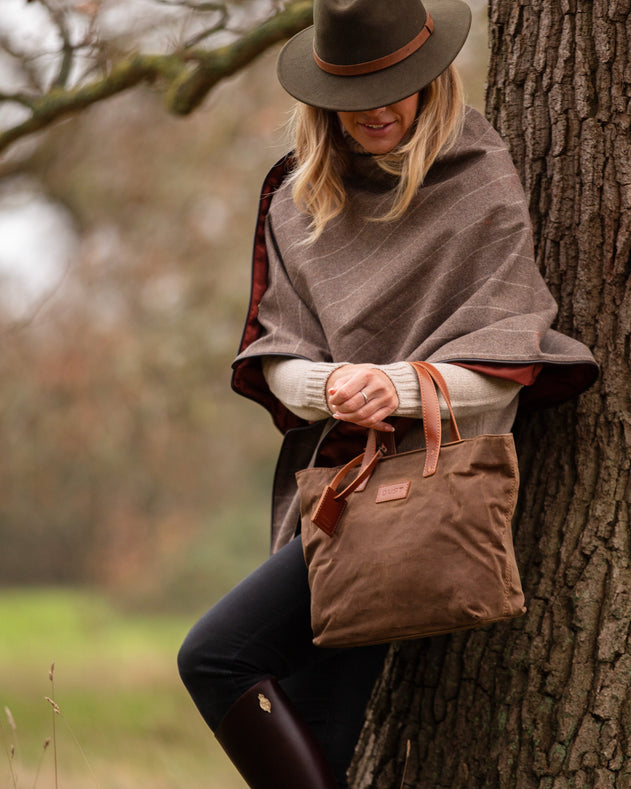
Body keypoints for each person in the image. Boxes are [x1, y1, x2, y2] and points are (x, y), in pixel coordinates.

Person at [178, 1, 598, 787]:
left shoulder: (480, 182)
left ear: (429, 78)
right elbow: (274, 352)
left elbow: (515, 352)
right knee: (320, 732)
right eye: (351, 94)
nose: (374, 110)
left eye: (392, 86)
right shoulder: (296, 200)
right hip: (334, 488)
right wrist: (333, 383)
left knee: (214, 655)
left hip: (422, 490)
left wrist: (397, 384)